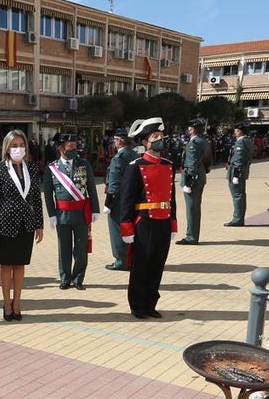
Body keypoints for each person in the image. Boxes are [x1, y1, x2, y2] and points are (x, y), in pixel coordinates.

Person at [119, 118, 176, 319]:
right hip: (144, 221)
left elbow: (172, 197)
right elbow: (126, 199)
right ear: (145, 142)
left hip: (163, 220)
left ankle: (151, 303)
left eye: (161, 136)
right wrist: (126, 227)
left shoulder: (168, 164)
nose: (160, 140)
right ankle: (137, 305)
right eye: (155, 137)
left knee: (157, 263)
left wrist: (173, 222)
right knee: (141, 264)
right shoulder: (135, 166)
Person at [0, 130, 44, 321]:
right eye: (14, 145)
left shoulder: (32, 168)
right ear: (7, 148)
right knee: (6, 266)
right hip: (5, 224)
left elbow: (36, 198)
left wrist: (39, 224)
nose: (18, 149)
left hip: (26, 224)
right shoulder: (0, 169)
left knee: (20, 265)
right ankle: (6, 304)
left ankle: (17, 303)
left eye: (21, 145)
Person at [43, 135, 100, 290]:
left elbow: (92, 189)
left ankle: (78, 279)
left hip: (81, 214)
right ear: (61, 148)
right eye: (70, 147)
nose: (74, 150)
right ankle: (65, 278)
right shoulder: (52, 168)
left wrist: (95, 209)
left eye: (75, 147)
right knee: (64, 247)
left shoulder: (84, 164)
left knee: (81, 248)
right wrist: (52, 215)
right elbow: (48, 194)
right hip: (62, 214)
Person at [103, 129, 139, 271]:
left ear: (120, 141)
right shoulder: (134, 154)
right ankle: (131, 258)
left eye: (115, 139)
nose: (114, 142)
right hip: (132, 197)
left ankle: (121, 259)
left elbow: (114, 183)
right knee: (130, 227)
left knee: (116, 228)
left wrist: (109, 202)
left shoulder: (119, 157)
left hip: (119, 200)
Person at [177, 118, 211, 245]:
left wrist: (189, 182)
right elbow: (208, 161)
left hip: (193, 178)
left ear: (193, 129)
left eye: (190, 128)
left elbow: (191, 163)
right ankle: (193, 234)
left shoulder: (194, 143)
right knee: (195, 208)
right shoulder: (204, 141)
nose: (188, 130)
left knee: (191, 208)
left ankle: (191, 236)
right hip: (200, 175)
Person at [226, 122, 252, 227]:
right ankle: (239, 217)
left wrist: (236, 175)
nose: (235, 132)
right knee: (240, 195)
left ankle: (237, 219)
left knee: (237, 196)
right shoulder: (246, 141)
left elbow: (239, 160)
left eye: (236, 130)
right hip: (241, 172)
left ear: (240, 131)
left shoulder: (241, 142)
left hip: (237, 172)